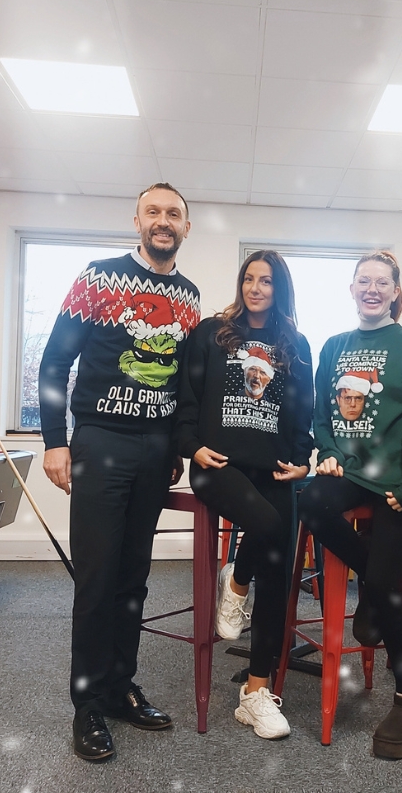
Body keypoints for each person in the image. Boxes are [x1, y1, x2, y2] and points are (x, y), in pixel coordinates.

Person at [38, 183, 201, 761]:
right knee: (98, 579)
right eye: (153, 212)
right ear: (136, 220)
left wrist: (181, 442)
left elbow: (185, 381)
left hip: (156, 451)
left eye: (173, 214)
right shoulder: (99, 276)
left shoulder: (188, 294)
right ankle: (85, 705)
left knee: (134, 579)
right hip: (101, 442)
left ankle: (118, 687)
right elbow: (56, 361)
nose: (163, 221)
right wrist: (55, 443)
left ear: (186, 226)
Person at [298, 250, 402, 760]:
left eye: (382, 282)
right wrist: (333, 454)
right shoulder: (335, 346)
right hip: (352, 474)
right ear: (353, 288)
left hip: (399, 484)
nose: (372, 289)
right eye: (364, 280)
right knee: (312, 501)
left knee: (387, 584)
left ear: (395, 291)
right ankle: (373, 590)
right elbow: (320, 415)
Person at [174, 249, 313, 739]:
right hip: (218, 466)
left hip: (271, 470)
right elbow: (186, 397)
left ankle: (256, 693)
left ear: (280, 290)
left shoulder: (294, 344)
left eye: (267, 282)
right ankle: (235, 579)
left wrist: (301, 459)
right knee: (272, 529)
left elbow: (302, 412)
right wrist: (192, 446)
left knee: (279, 566)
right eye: (250, 279)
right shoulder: (212, 333)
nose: (256, 288)